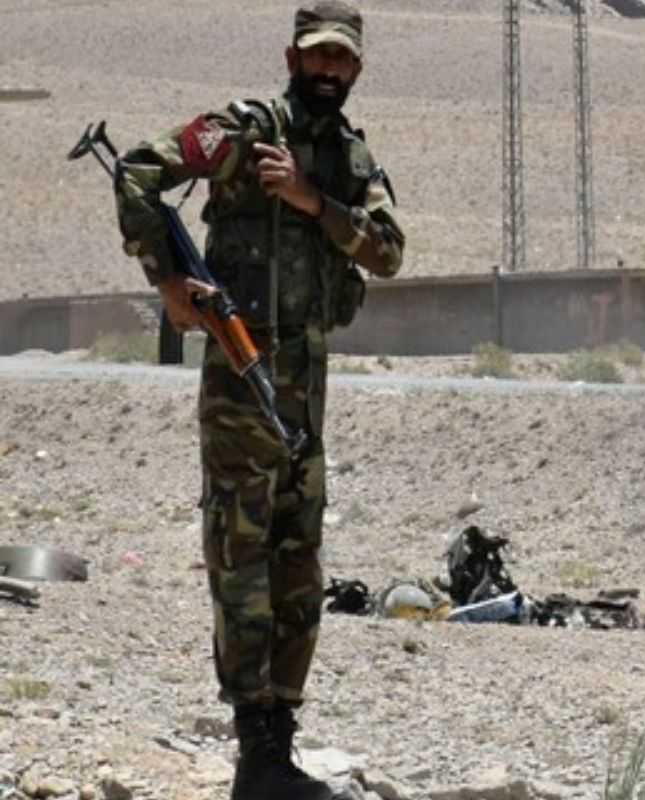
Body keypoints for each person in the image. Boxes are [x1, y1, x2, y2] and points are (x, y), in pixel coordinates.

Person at [112, 3, 404, 798]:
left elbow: (389, 252)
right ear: (291, 56)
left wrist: (316, 203)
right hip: (243, 381)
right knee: (241, 562)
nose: (328, 72)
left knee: (297, 567)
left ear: (357, 70)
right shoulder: (244, 131)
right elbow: (139, 170)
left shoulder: (347, 156)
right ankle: (254, 754)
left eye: (342, 61)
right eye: (317, 58)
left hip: (306, 395)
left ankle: (280, 743)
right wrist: (169, 283)